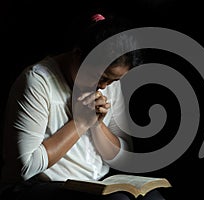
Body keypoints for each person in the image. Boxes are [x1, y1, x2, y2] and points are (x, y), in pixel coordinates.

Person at [0, 8, 166, 200]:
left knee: (153, 197)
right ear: (78, 56)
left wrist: (97, 125)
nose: (104, 86)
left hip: (96, 183)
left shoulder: (109, 85)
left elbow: (124, 158)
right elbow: (24, 168)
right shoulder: (38, 81)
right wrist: (80, 123)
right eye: (102, 77)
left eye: (113, 81)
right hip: (35, 187)